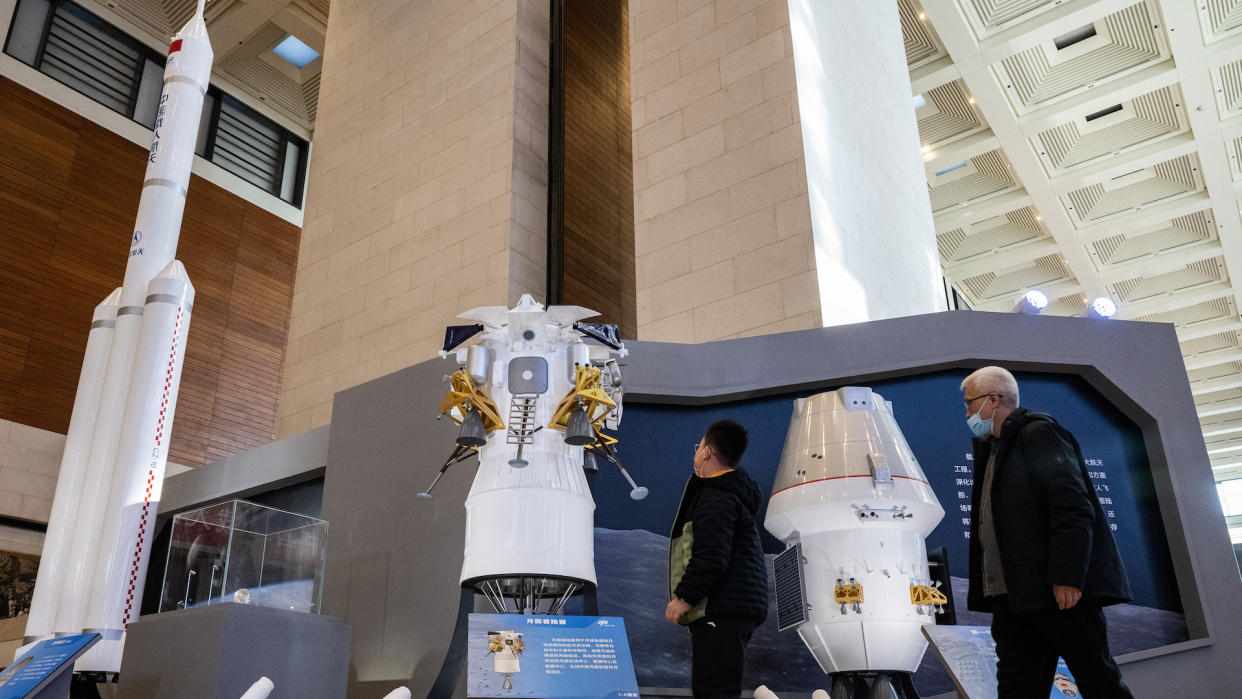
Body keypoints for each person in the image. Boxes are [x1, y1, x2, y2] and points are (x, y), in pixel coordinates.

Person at [961, 366, 1134, 699]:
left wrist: (1067, 575)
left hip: (1057, 594)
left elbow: (1072, 506)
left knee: (1098, 680)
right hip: (1013, 599)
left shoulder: (1038, 434)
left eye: (970, 403)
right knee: (1016, 689)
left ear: (993, 400)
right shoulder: (992, 449)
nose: (967, 413)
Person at [665, 419, 768, 699]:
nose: (696, 452)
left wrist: (683, 597)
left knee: (715, 691)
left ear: (707, 452)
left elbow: (712, 555)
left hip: (723, 607)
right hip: (733, 607)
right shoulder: (730, 494)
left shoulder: (716, 497)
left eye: (698, 446)